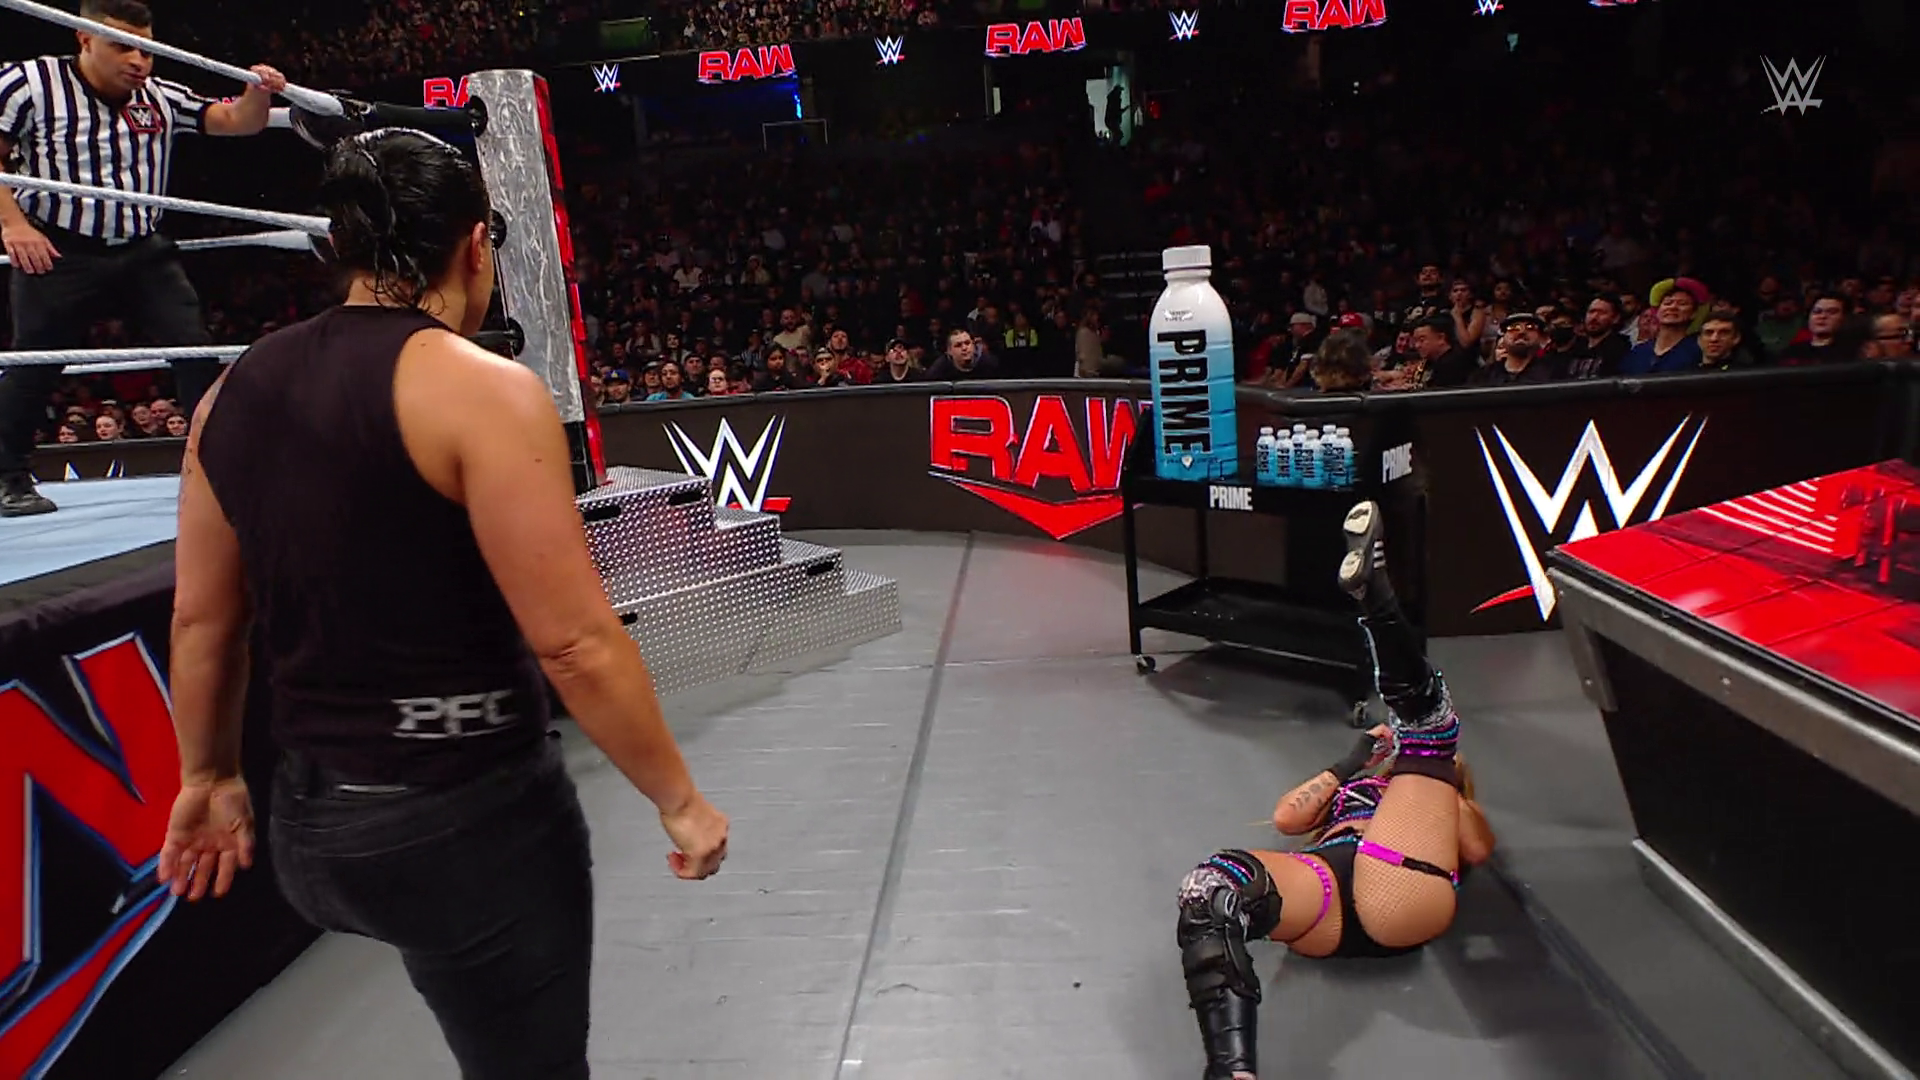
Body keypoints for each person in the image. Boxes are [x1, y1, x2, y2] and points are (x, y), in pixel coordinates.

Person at [156, 129, 730, 1079]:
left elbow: (203, 619)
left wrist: (208, 774)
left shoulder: (230, 391)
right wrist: (680, 800)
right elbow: (575, 643)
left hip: (312, 830)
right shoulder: (482, 391)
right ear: (475, 247)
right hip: (463, 820)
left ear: (339, 247)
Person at [1175, 500, 1496, 1080]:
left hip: (1401, 887)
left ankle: (1376, 602)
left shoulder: (1444, 796)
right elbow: (1288, 818)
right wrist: (1352, 763)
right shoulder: (1359, 782)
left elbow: (1476, 849)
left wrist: (1439, 785)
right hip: (1328, 889)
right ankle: (1231, 1073)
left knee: (1428, 732)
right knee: (1211, 888)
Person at [0, 0, 287, 517]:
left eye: (146, 49)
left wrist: (259, 91)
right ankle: (8, 478)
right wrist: (13, 225)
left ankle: (219, 466)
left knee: (195, 349)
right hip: (60, 247)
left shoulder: (157, 96)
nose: (138, 61)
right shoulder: (31, 83)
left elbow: (235, 121)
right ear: (84, 39)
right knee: (36, 362)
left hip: (141, 248)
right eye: (122, 46)